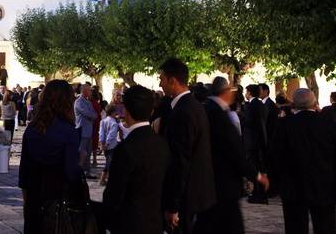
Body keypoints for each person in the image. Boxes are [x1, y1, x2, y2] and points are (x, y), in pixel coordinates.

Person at [270, 88, 336, 234]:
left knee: (295, 226)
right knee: (325, 226)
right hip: (324, 183)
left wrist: (278, 180)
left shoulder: (285, 125)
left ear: (293, 104)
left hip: (294, 184)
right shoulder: (328, 124)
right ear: (314, 103)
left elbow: (276, 155)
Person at [196, 77, 267, 234]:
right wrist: (256, 175)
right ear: (225, 92)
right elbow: (234, 151)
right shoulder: (219, 114)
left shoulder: (208, 109)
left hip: (210, 180)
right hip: (223, 182)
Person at [18, 80, 85, 233]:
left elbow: (24, 173)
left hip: (34, 201)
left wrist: (27, 204)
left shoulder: (32, 129)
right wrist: (80, 160)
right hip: (58, 204)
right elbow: (71, 173)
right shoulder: (69, 132)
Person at [158, 58, 216, 234]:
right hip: (198, 193)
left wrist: (172, 205)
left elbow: (180, 160)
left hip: (186, 197)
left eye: (161, 79)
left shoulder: (183, 112)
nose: (159, 84)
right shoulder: (193, 106)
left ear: (172, 80)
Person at [102, 85, 170, 234]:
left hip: (129, 223)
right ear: (151, 111)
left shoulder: (126, 148)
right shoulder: (162, 143)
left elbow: (114, 194)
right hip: (155, 222)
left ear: (125, 110)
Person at [243, 83, 269, 204]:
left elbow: (250, 122)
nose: (245, 94)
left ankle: (259, 194)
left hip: (253, 142)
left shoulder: (253, 105)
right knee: (258, 167)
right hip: (257, 141)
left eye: (246, 91)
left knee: (254, 168)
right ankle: (259, 193)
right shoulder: (259, 104)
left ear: (249, 92)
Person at [74, 82, 97, 178]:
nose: (91, 92)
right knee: (82, 151)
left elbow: (95, 114)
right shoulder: (78, 102)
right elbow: (88, 113)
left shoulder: (88, 102)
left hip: (89, 130)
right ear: (84, 91)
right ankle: (79, 171)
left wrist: (91, 116)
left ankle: (87, 171)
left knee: (88, 152)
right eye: (89, 90)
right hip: (82, 130)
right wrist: (91, 116)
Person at [98, 105, 120, 186]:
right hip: (111, 146)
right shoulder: (114, 123)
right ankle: (104, 179)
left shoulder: (103, 121)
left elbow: (101, 133)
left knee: (108, 162)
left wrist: (101, 143)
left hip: (105, 145)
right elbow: (111, 135)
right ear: (113, 112)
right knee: (110, 163)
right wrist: (106, 144)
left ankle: (104, 179)